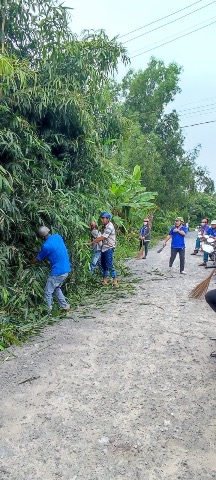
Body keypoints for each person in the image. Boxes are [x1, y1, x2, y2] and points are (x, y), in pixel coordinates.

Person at [31, 226, 71, 313]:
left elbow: (38, 258)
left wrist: (29, 263)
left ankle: (47, 312)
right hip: (66, 269)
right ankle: (65, 306)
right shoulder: (58, 237)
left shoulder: (46, 246)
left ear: (42, 237)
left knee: (48, 292)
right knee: (56, 288)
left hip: (58, 272)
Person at [87, 212, 118, 287]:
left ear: (107, 219)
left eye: (103, 218)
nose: (102, 220)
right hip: (104, 248)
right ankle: (105, 280)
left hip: (109, 248)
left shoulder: (109, 227)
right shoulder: (105, 226)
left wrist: (92, 242)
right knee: (104, 265)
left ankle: (115, 281)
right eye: (102, 218)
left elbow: (103, 237)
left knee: (109, 264)